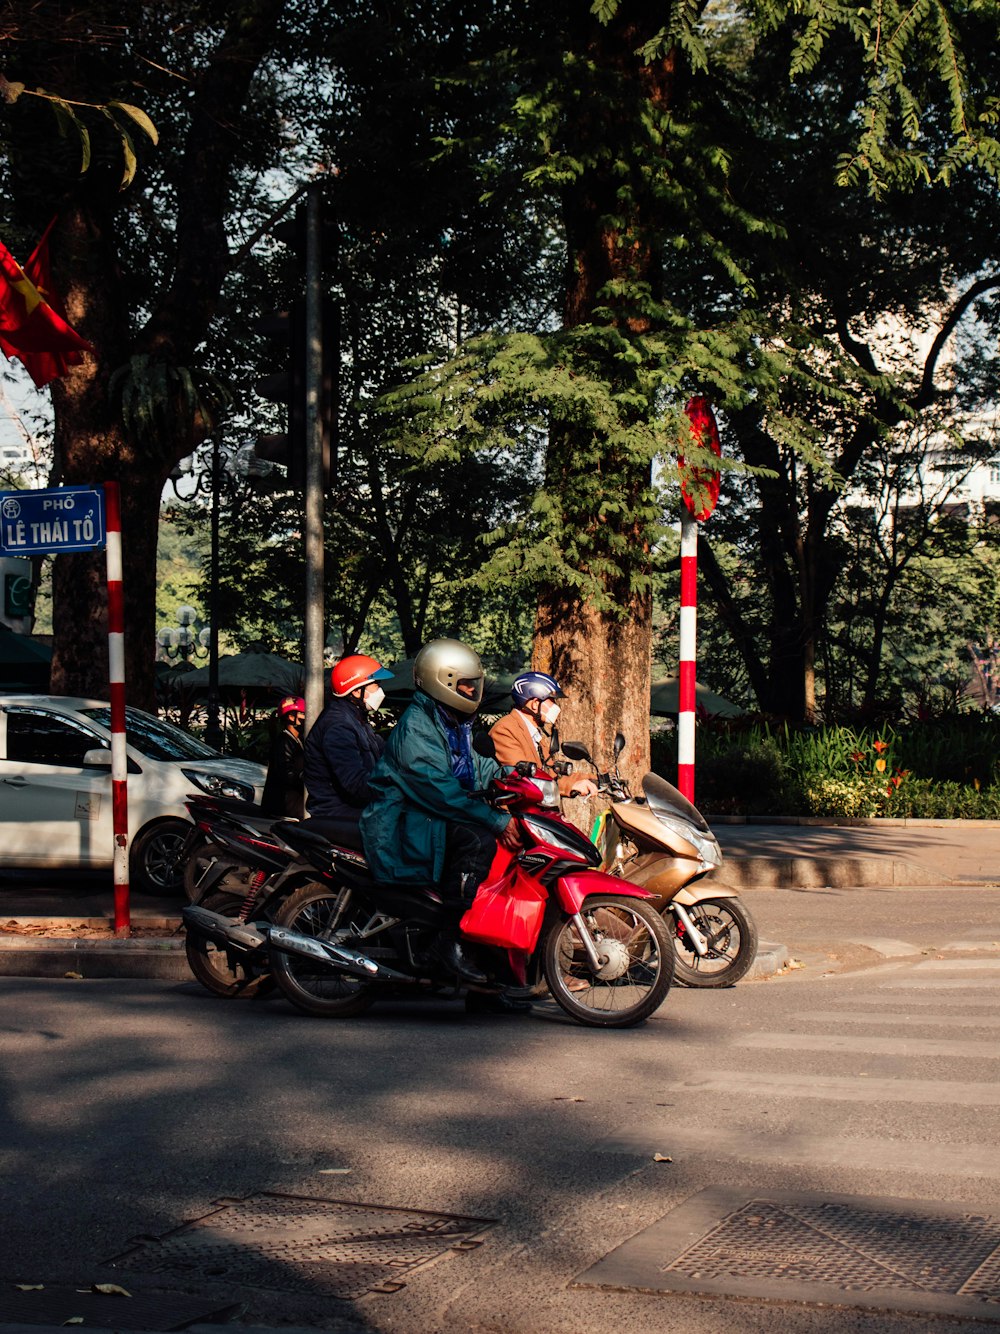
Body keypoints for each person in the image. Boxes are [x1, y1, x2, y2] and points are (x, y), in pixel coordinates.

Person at [360, 637, 524, 1000]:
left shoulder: (450, 721)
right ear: (442, 682)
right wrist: (495, 821)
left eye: (472, 683)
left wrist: (515, 775)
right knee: (477, 839)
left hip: (425, 817)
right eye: (465, 684)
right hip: (402, 822)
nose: (472, 690)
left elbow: (473, 768)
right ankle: (447, 943)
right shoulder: (417, 727)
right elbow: (440, 790)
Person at [302, 654, 393, 836]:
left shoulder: (357, 720)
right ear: (355, 691)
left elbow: (387, 753)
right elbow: (356, 784)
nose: (380, 691)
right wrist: (397, 785)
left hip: (356, 811)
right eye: (375, 685)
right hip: (339, 815)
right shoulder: (339, 727)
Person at [489, 671, 599, 799]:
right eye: (551, 700)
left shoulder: (534, 733)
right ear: (535, 703)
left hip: (541, 810)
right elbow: (524, 778)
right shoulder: (505, 730)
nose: (556, 706)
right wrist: (569, 786)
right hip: (519, 813)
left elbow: (551, 773)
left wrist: (596, 779)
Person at [261, 696, 306, 819]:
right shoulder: (284, 742)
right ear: (291, 717)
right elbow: (286, 774)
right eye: (302, 714)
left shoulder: (297, 740)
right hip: (285, 809)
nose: (306, 717)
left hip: (294, 805)